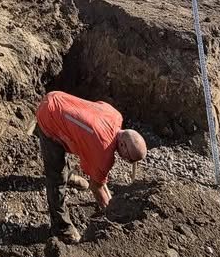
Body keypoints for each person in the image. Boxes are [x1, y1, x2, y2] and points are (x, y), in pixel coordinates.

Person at [33, 90, 147, 240]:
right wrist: (110, 213)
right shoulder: (104, 152)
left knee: (68, 143)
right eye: (129, 159)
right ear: (123, 145)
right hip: (49, 116)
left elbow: (100, 179)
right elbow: (96, 186)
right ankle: (61, 228)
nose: (126, 161)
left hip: (57, 97)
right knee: (56, 178)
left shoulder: (115, 116)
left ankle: (69, 175)